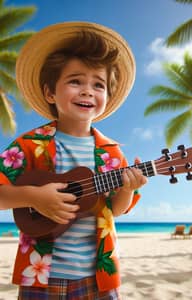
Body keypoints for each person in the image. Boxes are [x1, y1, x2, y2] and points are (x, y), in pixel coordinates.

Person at [0, 21, 147, 299]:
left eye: (98, 84)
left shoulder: (112, 153)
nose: (87, 90)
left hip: (99, 276)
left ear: (106, 96)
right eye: (75, 80)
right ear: (50, 93)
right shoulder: (30, 145)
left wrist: (127, 188)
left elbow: (114, 210)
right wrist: (34, 197)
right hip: (40, 275)